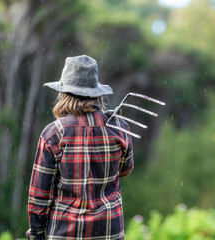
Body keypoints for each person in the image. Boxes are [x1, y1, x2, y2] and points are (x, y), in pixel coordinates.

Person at [27, 55, 134, 240]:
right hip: (109, 230)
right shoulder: (119, 127)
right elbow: (125, 170)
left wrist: (36, 233)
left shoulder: (54, 133)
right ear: (96, 93)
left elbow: (40, 194)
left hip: (66, 232)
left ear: (64, 93)